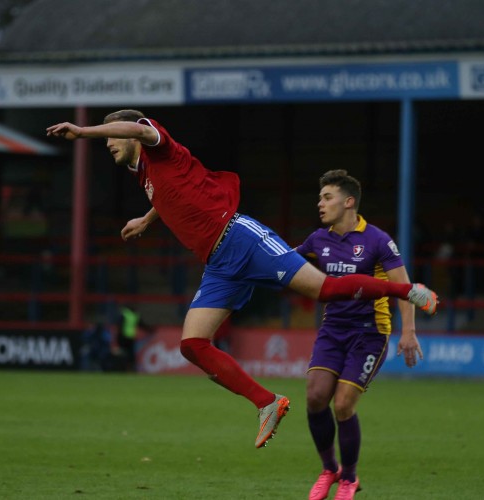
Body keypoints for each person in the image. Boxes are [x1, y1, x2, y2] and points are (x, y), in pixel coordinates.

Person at [46, 110, 438, 449]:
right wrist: (147, 218)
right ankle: (268, 402)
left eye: (113, 135)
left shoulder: (155, 141)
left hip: (239, 237)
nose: (110, 142)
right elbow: (175, 195)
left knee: (325, 290)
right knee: (192, 344)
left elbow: (137, 130)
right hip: (218, 264)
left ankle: (409, 291)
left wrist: (81, 132)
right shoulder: (146, 172)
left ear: (132, 130)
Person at [296, 169, 424, 500]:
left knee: (342, 404)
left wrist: (408, 332)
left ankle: (350, 479)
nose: (320, 204)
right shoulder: (317, 240)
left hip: (369, 333)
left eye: (327, 197)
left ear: (348, 201)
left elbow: (404, 287)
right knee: (314, 397)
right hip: (333, 330)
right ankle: (329, 470)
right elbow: (283, 264)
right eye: (319, 198)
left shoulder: (378, 240)